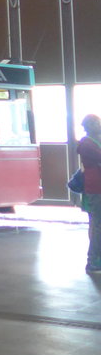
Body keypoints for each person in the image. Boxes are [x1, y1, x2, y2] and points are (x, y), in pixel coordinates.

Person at [76, 113, 101, 273]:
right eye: (98, 123)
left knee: (97, 224)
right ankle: (92, 261)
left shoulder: (91, 142)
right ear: (92, 126)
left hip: (96, 187)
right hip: (96, 188)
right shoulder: (88, 144)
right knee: (97, 225)